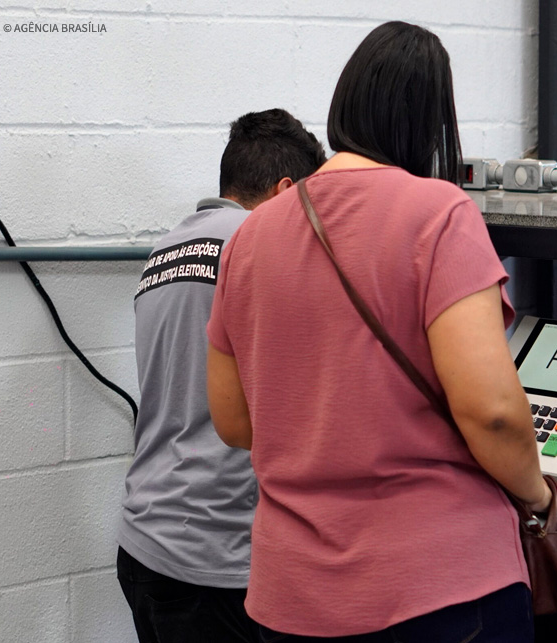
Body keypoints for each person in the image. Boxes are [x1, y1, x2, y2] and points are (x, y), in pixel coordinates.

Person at [206, 21, 553, 643]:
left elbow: (234, 422)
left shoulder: (248, 237)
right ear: (431, 124)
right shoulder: (441, 213)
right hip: (439, 586)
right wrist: (538, 497)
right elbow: (493, 413)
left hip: (293, 595)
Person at [117, 109, 326, 643]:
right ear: (285, 190)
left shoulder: (165, 249)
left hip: (145, 538)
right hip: (215, 552)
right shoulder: (259, 246)